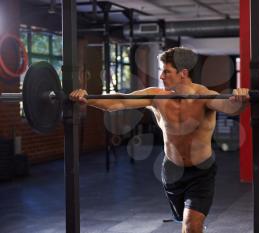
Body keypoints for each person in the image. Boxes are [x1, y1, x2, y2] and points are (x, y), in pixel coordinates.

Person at [70, 47, 249, 233]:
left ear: (183, 73)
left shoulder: (204, 97)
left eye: (166, 71)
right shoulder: (156, 97)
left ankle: (194, 223)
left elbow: (230, 108)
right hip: (172, 171)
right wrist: (87, 99)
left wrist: (240, 100)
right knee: (184, 221)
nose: (161, 76)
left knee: (190, 225)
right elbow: (119, 102)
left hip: (201, 172)